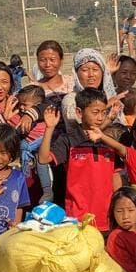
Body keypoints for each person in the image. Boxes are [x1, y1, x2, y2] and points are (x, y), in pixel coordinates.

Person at [37, 91, 120, 231]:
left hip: (106, 217)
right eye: (95, 112)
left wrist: (118, 205)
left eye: (103, 112)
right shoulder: (69, 140)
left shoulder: (108, 140)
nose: (100, 117)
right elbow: (43, 159)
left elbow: (116, 175)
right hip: (78, 217)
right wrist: (49, 128)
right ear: (79, 113)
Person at [61, 48, 118, 134]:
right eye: (85, 70)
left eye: (95, 70)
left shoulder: (109, 95)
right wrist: (105, 107)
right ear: (76, 73)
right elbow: (78, 134)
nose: (91, 75)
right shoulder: (71, 100)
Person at [106, 187, 136, 272]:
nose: (125, 216)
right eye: (119, 211)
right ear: (113, 213)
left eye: (131, 210)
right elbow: (129, 270)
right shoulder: (116, 237)